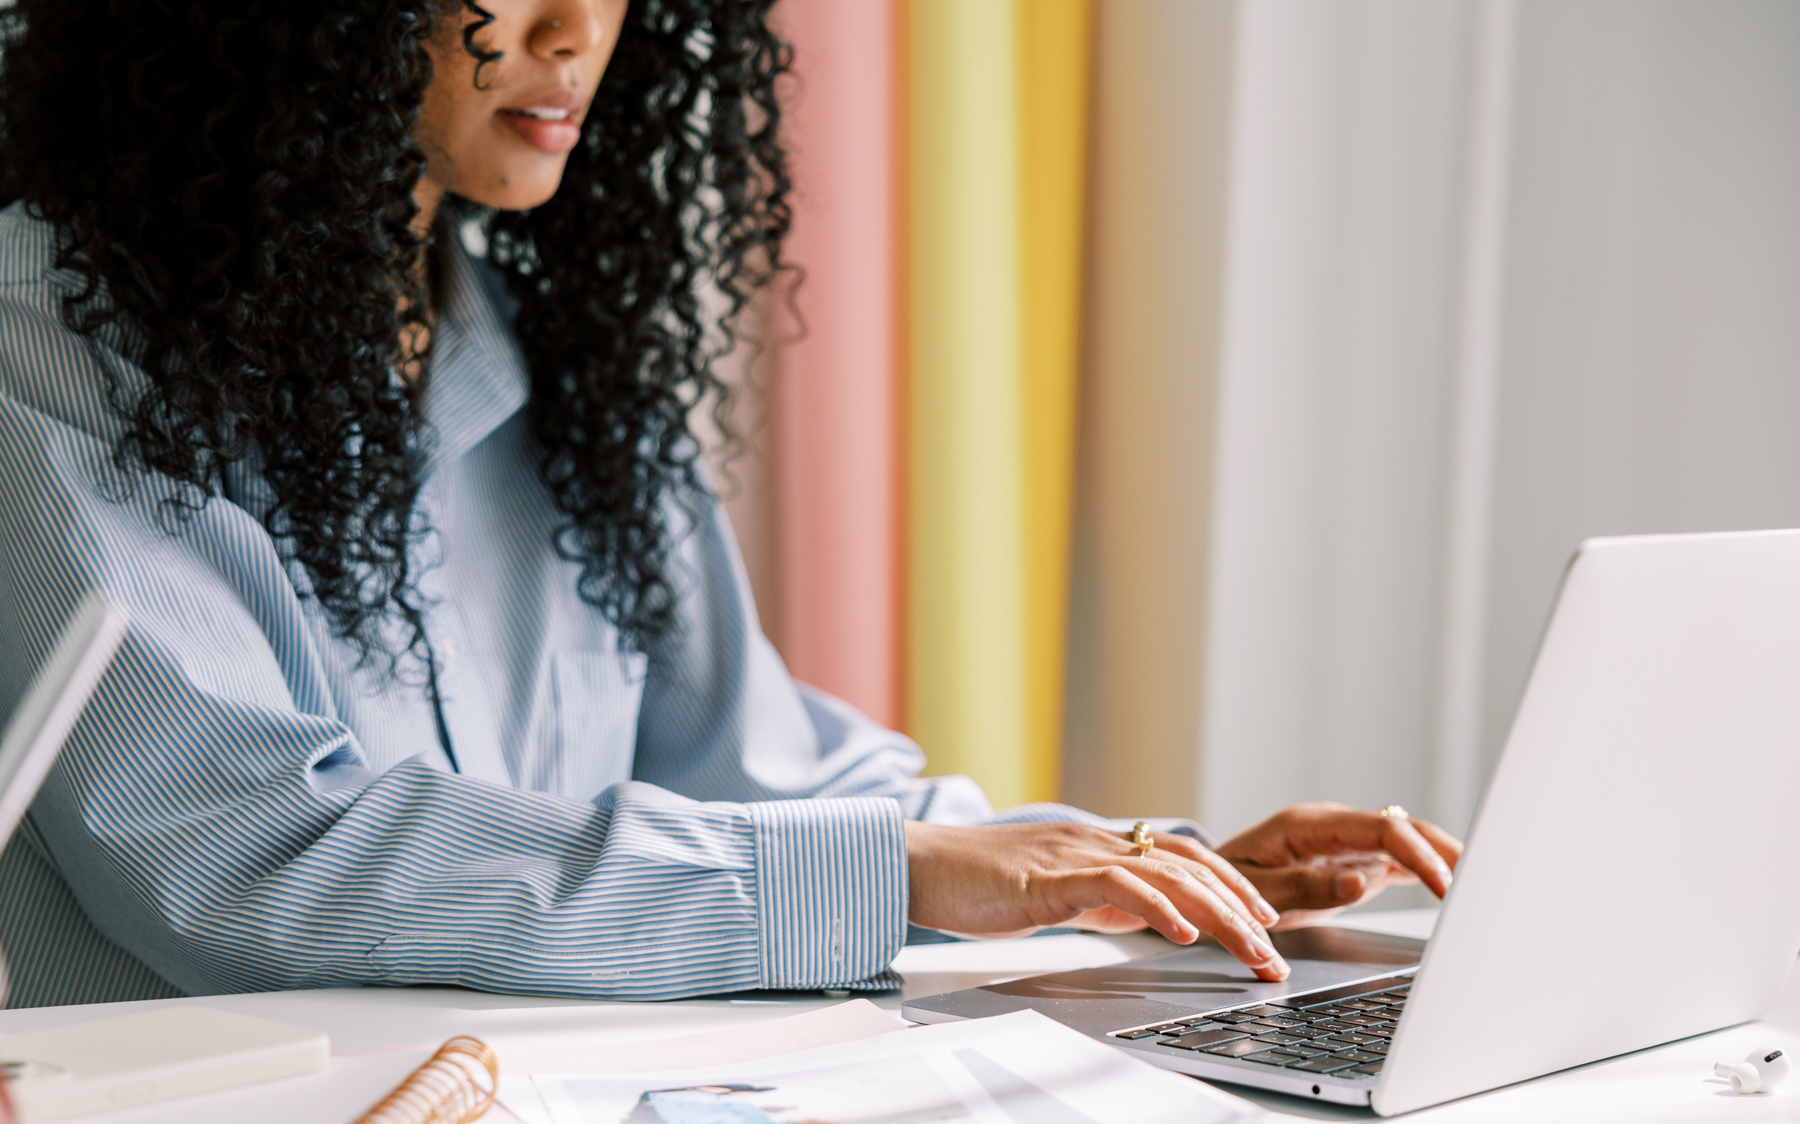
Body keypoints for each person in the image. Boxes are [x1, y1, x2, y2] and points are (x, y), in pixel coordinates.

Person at [0, 0, 1460, 1010]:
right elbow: (253, 861)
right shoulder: (48, 347)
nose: (580, 32)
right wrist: (901, 873)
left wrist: (1129, 867)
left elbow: (752, 772)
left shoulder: (533, 354)